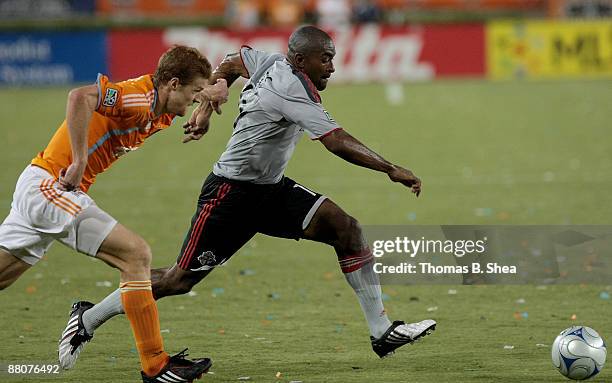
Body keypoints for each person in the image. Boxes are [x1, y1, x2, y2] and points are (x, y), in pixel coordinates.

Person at [61, 26, 436, 369]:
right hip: (229, 196)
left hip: (270, 190)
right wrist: (390, 168)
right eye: (326, 58)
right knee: (178, 280)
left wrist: (211, 100)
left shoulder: (269, 61)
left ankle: (381, 331)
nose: (333, 67)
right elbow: (335, 141)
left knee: (347, 229)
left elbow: (233, 61)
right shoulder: (291, 89)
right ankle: (88, 318)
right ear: (301, 60)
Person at [0, 45, 229, 382]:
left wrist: (214, 92)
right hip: (51, 188)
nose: (195, 100)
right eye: (193, 93)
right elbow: (80, 97)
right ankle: (156, 365)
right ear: (173, 84)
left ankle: (154, 363)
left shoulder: (165, 104)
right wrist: (78, 161)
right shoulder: (139, 98)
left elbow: (208, 87)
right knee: (136, 255)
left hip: (44, 190)